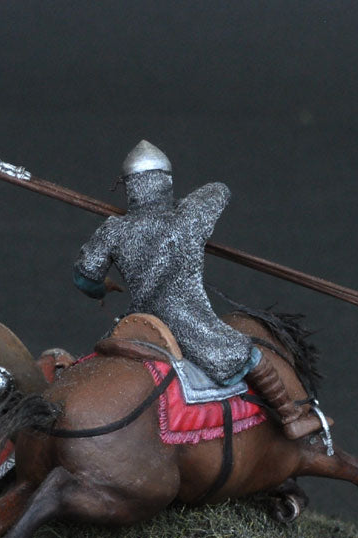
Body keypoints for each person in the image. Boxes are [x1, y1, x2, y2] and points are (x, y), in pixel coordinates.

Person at [73, 140, 322, 440]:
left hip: (139, 323)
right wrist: (181, 207)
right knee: (246, 355)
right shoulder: (188, 218)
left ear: (129, 187)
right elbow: (219, 190)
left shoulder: (113, 229)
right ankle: (291, 416)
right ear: (165, 182)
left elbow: (85, 278)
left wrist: (101, 290)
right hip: (186, 321)